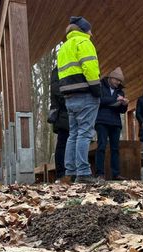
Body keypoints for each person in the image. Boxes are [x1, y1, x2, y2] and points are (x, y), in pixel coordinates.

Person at [57, 16, 101, 184]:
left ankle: (71, 171)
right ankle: (83, 172)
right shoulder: (84, 43)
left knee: (73, 134)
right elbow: (90, 68)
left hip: (69, 96)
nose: (91, 32)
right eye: (89, 29)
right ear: (83, 29)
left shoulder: (64, 48)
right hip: (85, 93)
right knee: (84, 133)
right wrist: (97, 89)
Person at [95, 67, 129, 181]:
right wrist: (115, 101)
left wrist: (124, 104)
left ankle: (116, 174)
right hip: (101, 121)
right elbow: (99, 101)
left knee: (115, 149)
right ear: (110, 78)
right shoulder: (100, 86)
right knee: (101, 147)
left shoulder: (120, 92)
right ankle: (100, 173)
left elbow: (122, 111)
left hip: (115, 123)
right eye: (116, 80)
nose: (118, 83)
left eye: (119, 81)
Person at [48, 67, 69, 181]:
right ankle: (61, 173)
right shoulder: (58, 71)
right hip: (62, 113)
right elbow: (57, 92)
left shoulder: (59, 71)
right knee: (62, 143)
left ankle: (64, 172)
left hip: (65, 113)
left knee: (64, 143)